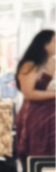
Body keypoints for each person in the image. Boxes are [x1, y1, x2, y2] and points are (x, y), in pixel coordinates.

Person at [14, 28, 56, 163]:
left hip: (51, 115)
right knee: (37, 152)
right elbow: (28, 93)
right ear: (45, 44)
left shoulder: (52, 62)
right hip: (35, 114)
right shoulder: (30, 64)